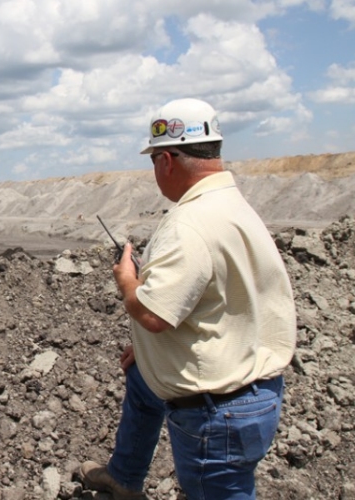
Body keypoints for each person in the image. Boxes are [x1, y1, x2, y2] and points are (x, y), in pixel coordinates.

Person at [79, 98, 297, 500]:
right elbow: (219, 294)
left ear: (166, 161)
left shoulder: (189, 224)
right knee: (143, 381)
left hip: (217, 413)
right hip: (249, 388)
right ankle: (124, 478)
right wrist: (151, 354)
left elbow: (152, 315)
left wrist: (128, 281)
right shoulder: (231, 204)